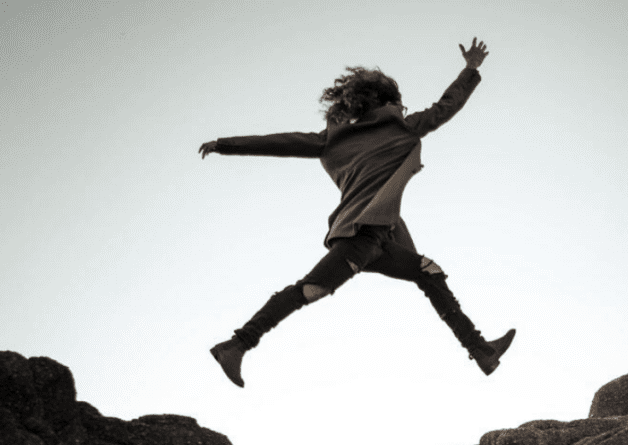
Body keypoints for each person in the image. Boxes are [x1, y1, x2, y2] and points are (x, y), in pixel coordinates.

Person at [199, 37, 515, 387]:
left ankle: (481, 350)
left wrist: (225, 144)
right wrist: (470, 69)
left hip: (379, 237)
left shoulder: (331, 139)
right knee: (310, 289)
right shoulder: (401, 127)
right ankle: (237, 344)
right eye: (397, 101)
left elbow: (279, 142)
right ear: (386, 101)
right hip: (358, 237)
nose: (402, 106)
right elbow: (446, 106)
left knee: (429, 272)